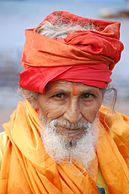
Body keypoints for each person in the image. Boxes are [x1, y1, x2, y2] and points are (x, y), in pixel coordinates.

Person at [0, 10, 129, 194]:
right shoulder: (4, 156)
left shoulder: (123, 142)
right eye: (59, 96)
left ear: (102, 97)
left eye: (87, 96)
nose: (74, 116)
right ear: (33, 98)